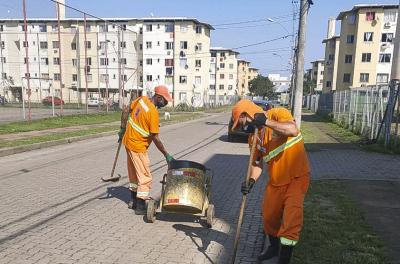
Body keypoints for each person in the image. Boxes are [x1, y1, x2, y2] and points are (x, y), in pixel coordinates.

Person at [231, 99, 310, 264]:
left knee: (291, 220)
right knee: (268, 217)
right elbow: (257, 163)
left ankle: (284, 259)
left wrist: (266, 122)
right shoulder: (253, 140)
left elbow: (292, 130)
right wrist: (251, 181)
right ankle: (274, 247)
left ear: (247, 114)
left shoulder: (278, 114)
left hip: (296, 178)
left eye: (242, 122)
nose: (243, 127)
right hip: (275, 182)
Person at [118, 85, 175, 215]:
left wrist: (122, 129)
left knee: (133, 173)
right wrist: (166, 154)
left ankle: (132, 201)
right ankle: (140, 205)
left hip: (128, 142)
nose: (165, 104)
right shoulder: (153, 113)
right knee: (145, 176)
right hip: (138, 147)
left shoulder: (141, 99)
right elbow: (156, 138)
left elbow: (126, 110)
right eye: (165, 101)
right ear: (159, 97)